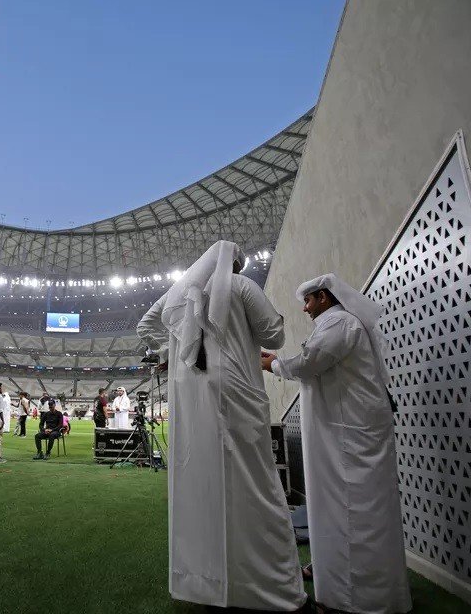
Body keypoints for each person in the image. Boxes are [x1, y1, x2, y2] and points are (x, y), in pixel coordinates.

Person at [137, 240, 305, 610]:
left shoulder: (182, 293)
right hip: (237, 390)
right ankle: (270, 586)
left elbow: (146, 324)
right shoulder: (242, 286)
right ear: (237, 265)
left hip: (193, 397)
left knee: (202, 481)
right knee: (256, 483)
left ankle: (204, 583)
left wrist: (169, 352)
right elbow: (274, 335)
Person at [261, 273, 411, 614]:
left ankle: (356, 598)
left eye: (309, 301)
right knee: (338, 509)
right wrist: (277, 361)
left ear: (324, 298)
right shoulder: (337, 323)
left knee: (355, 511)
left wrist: (273, 364)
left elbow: (310, 362)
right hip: (344, 436)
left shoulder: (339, 322)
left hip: (352, 440)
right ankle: (334, 575)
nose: (304, 308)